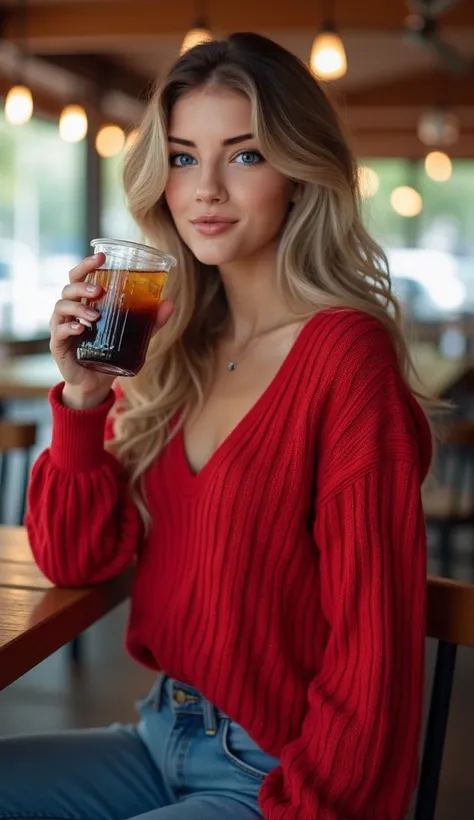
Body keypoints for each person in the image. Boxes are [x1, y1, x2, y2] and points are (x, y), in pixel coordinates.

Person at [0, 32, 435, 820]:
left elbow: (376, 651)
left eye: (243, 155)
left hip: (276, 775)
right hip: (157, 735)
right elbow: (75, 559)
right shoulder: (172, 348)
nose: (204, 189)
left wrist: (310, 809)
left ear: (300, 174)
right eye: (180, 156)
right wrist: (85, 399)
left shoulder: (345, 358)